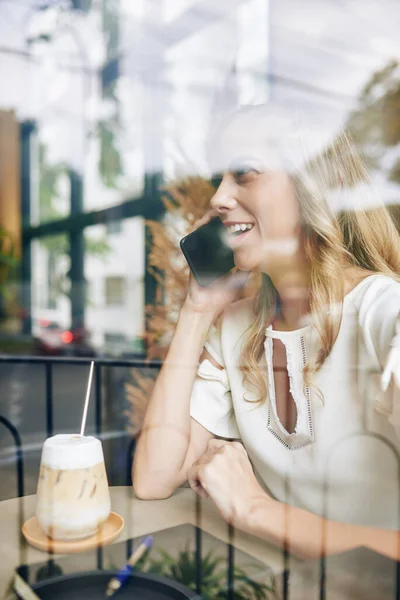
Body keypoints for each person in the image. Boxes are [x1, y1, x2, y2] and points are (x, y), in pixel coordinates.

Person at [133, 104, 400, 559]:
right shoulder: (235, 327)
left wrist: (256, 510)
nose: (218, 198)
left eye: (244, 173)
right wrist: (196, 313)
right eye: (220, 178)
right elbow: (155, 479)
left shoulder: (383, 312)